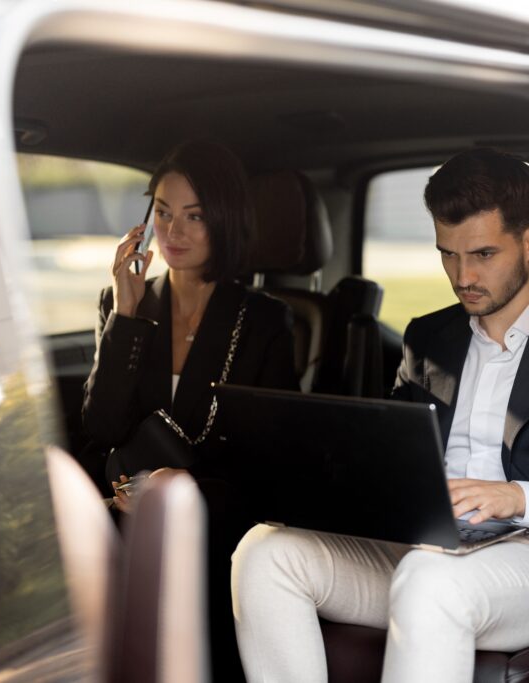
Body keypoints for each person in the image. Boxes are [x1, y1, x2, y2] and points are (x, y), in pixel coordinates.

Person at [231, 148, 529, 682]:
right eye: (448, 254)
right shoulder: (427, 337)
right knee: (263, 555)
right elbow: (389, 457)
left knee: (428, 581)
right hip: (427, 543)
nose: (463, 276)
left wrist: (515, 497)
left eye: (483, 254)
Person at [81, 139, 298, 679]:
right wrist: (126, 316)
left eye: (193, 217)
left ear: (224, 221)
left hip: (222, 513)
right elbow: (102, 428)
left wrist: (186, 487)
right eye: (162, 212)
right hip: (131, 507)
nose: (172, 232)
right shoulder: (124, 302)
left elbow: (272, 454)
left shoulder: (264, 319)